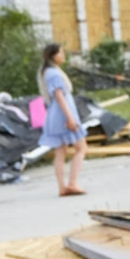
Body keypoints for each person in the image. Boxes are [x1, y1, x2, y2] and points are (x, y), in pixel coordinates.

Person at [39, 43, 87, 196]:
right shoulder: (54, 74)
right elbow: (59, 97)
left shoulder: (47, 72)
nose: (63, 55)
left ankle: (62, 186)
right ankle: (72, 183)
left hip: (55, 114)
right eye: (61, 53)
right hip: (62, 114)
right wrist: (70, 118)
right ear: (54, 55)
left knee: (61, 151)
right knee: (81, 147)